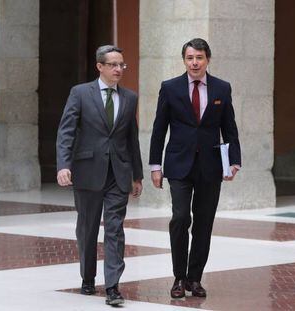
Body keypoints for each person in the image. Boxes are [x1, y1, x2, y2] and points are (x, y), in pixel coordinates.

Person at [149, 38, 241, 298]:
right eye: (190, 58)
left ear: (207, 59)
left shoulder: (222, 88)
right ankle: (179, 276)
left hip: (210, 167)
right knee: (180, 218)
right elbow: (159, 129)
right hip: (178, 165)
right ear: (184, 60)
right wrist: (156, 166)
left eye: (199, 57)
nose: (194, 63)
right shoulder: (170, 88)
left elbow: (229, 128)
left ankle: (194, 279)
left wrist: (234, 160)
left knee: (203, 223)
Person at [56, 45, 143, 306]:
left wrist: (136, 175)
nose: (119, 69)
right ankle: (88, 277)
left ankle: (113, 286)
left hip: (118, 173)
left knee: (115, 229)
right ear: (100, 66)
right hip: (87, 171)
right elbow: (66, 131)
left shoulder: (130, 98)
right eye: (114, 64)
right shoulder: (80, 93)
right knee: (87, 227)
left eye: (122, 65)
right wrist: (63, 165)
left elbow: (132, 138)